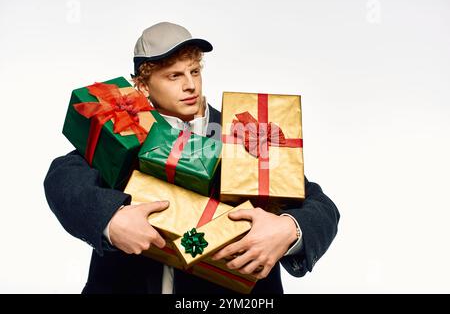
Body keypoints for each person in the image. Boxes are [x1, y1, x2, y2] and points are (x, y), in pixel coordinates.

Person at [43, 22, 340, 294]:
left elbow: (322, 206)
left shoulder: (244, 135)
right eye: (174, 75)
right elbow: (64, 176)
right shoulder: (124, 131)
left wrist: (289, 229)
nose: (190, 86)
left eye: (194, 71)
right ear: (143, 86)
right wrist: (110, 219)